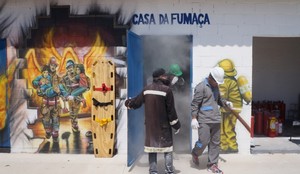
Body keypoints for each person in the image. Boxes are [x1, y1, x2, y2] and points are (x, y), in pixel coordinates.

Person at [125, 68, 181, 174]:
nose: (166, 76)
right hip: (164, 125)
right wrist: (176, 125)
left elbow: (136, 102)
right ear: (161, 77)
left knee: (152, 148)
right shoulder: (167, 90)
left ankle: (153, 171)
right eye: (164, 75)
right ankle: (169, 171)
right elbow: (171, 111)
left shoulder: (147, 89)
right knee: (168, 149)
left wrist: (128, 103)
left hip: (151, 126)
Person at [190, 67, 226, 174]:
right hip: (204, 120)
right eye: (216, 81)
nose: (217, 84)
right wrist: (193, 118)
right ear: (210, 77)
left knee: (215, 143)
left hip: (216, 119)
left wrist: (226, 103)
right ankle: (195, 153)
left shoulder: (216, 87)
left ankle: (212, 165)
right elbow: (195, 104)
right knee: (204, 141)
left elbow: (219, 100)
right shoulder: (201, 87)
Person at [218, 59, 243, 153]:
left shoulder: (225, 81)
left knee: (226, 128)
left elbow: (222, 96)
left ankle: (229, 147)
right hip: (233, 107)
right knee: (227, 128)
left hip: (230, 109)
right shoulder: (233, 80)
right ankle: (228, 146)